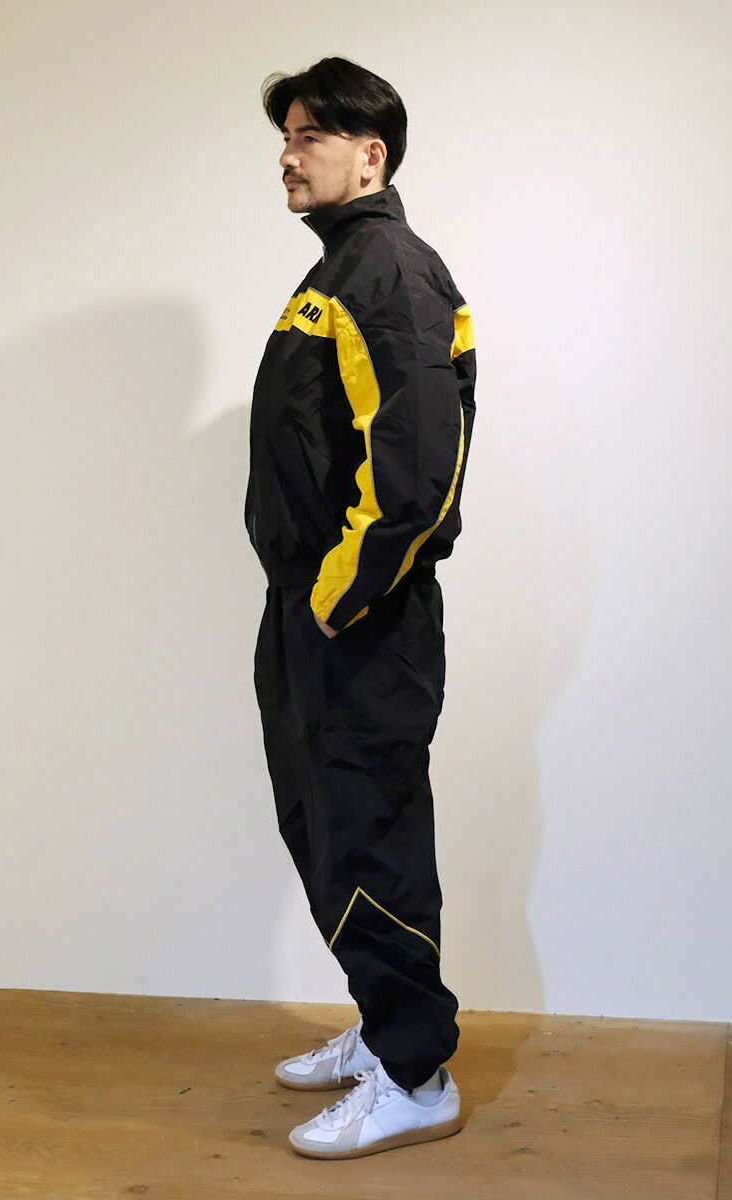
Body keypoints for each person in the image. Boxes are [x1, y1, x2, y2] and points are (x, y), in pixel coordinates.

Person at [244, 55, 477, 1159]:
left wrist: (337, 599)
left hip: (362, 618)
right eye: (284, 138)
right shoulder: (339, 269)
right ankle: (384, 1021)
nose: (288, 157)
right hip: (312, 608)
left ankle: (415, 1074)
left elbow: (417, 469)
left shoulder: (387, 271)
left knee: (369, 833)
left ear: (369, 154)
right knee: (324, 824)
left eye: (309, 136)